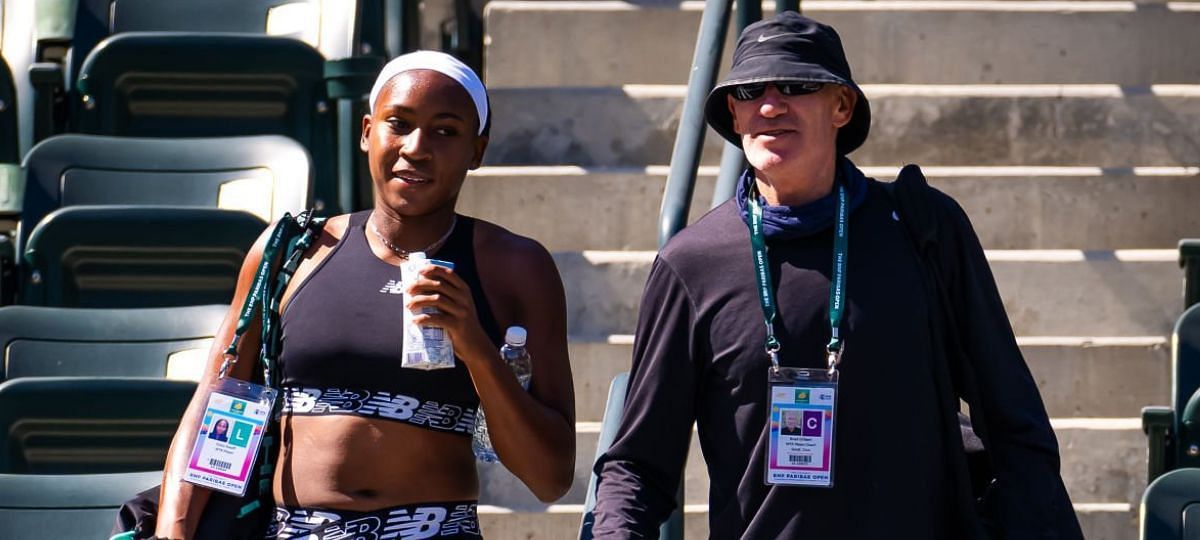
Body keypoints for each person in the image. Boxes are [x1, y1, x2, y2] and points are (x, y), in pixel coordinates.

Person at [591, 12, 1083, 539]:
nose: (771, 105)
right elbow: (639, 464)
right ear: (734, 116)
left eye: (798, 86)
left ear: (842, 106)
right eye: (751, 91)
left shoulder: (923, 229)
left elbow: (1014, 425)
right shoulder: (692, 264)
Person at [153, 50, 575, 539]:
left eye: (445, 131)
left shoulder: (515, 266)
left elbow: (550, 478)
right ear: (366, 130)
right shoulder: (292, 251)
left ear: (476, 151)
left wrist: (475, 346)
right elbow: (219, 404)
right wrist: (173, 529)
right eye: (399, 123)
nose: (416, 147)